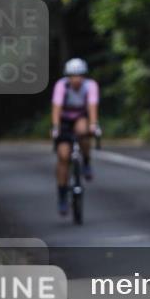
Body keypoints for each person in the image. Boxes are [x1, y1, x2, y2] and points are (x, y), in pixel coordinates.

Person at [51, 58, 100, 215]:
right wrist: (56, 127)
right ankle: (62, 194)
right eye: (73, 76)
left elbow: (92, 106)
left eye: (79, 75)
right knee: (63, 156)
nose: (76, 79)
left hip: (80, 116)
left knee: (83, 130)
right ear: (68, 76)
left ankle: (86, 160)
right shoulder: (61, 86)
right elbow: (56, 107)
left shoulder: (90, 86)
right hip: (65, 120)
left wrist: (93, 124)